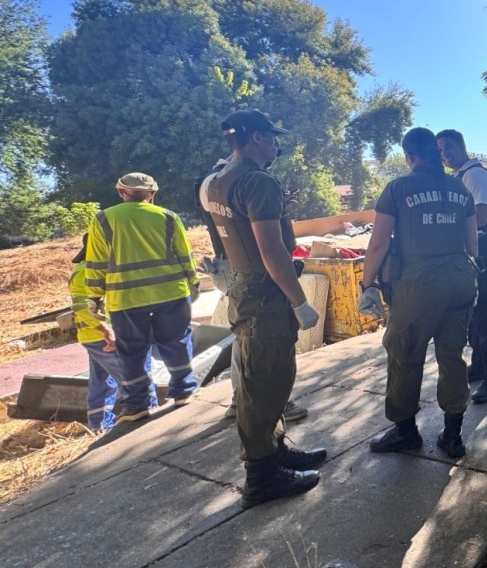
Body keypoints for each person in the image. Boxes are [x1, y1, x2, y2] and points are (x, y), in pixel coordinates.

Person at [206, 109, 325, 509]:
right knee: (265, 382)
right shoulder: (257, 181)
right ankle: (261, 475)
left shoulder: (219, 181)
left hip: (244, 286)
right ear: (256, 138)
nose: (276, 144)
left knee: (268, 377)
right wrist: (299, 302)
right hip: (265, 292)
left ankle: (274, 452)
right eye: (272, 137)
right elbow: (272, 250)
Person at [358, 127, 479, 459]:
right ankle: (453, 436)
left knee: (404, 353)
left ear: (409, 157)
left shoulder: (398, 188)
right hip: (460, 279)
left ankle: (406, 431)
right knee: (452, 356)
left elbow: (379, 243)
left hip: (418, 285)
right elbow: (473, 243)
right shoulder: (459, 188)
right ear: (437, 154)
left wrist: (367, 284)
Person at [196, 157, 307, 424]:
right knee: (254, 338)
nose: (275, 152)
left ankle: (250, 402)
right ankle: (255, 403)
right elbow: (267, 246)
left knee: (247, 336)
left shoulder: (224, 183)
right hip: (243, 267)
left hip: (238, 266)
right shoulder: (223, 182)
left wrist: (277, 207)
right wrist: (299, 302)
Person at [85, 173, 200, 423]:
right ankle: (183, 391)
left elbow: (96, 262)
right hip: (170, 292)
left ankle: (136, 405)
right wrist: (193, 282)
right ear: (152, 194)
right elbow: (184, 254)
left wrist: (93, 297)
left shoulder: (104, 219)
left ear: (120, 192)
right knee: (176, 341)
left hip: (125, 299)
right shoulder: (168, 217)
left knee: (131, 352)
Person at [437, 129, 487, 404]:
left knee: (485, 312)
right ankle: (478, 367)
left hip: (478, 247)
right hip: (464, 248)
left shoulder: (475, 175)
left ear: (462, 146)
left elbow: (481, 215)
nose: (445, 155)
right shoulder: (458, 176)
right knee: (473, 312)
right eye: (440, 150)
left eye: (449, 148)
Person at [69, 234, 125, 432]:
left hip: (94, 337)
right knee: (129, 378)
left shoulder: (86, 269)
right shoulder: (87, 272)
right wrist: (106, 331)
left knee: (102, 382)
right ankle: (137, 423)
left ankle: (99, 425)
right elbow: (82, 307)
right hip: (101, 336)